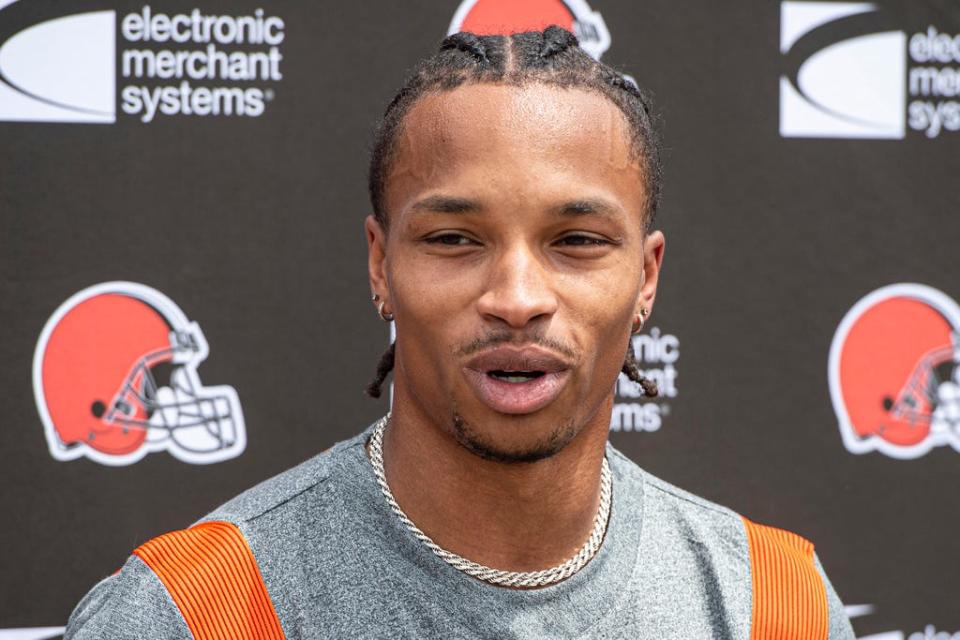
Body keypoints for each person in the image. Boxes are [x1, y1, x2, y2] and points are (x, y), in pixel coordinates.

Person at [65, 27, 855, 639]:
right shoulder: (194, 613)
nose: (516, 298)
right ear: (380, 264)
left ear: (646, 277)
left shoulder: (772, 606)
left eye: (576, 241)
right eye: (454, 239)